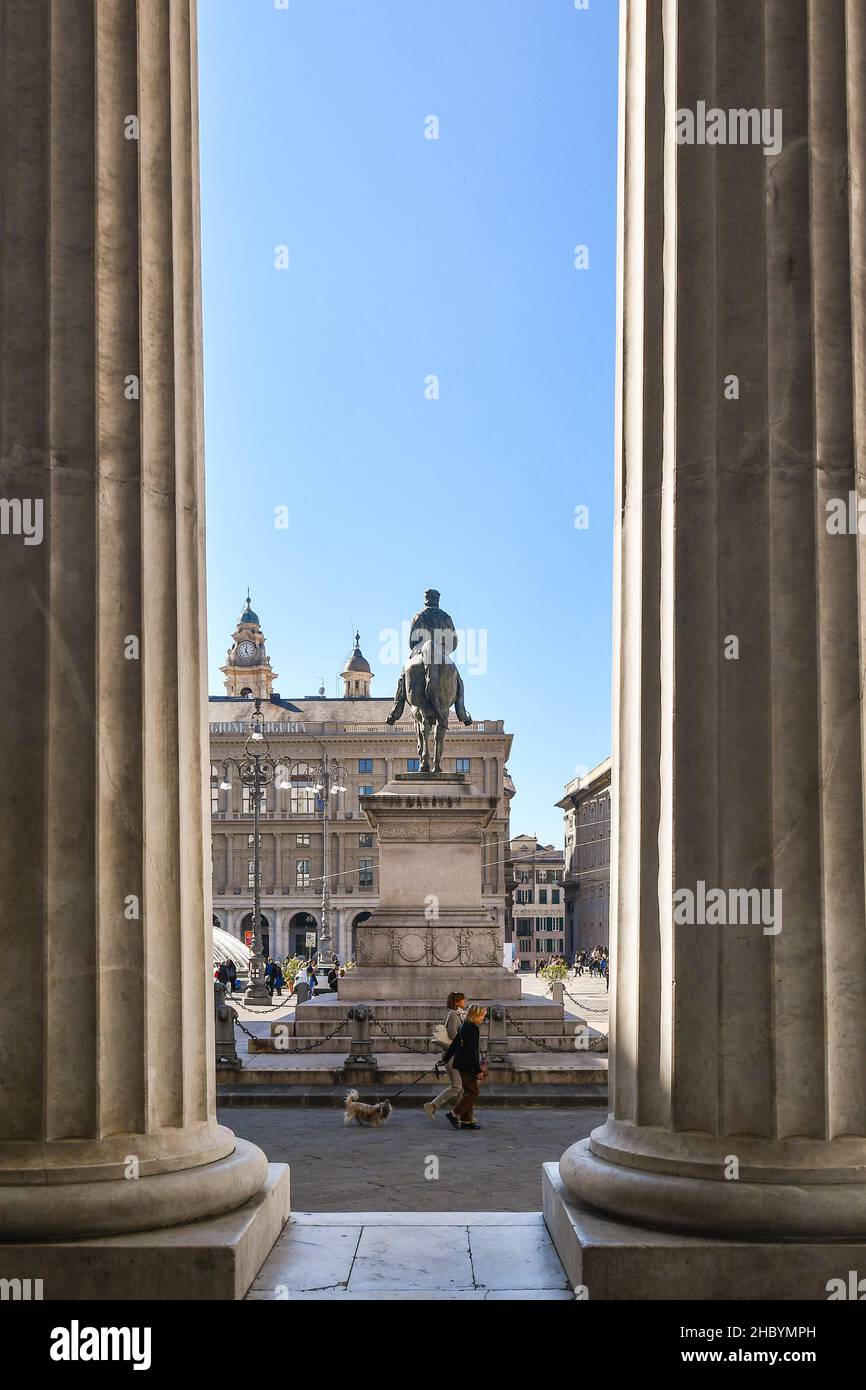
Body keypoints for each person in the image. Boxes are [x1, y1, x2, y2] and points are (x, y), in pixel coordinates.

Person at [443, 1004, 488, 1131]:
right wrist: (478, 1070)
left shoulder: (465, 1025)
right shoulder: (471, 1029)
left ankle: (466, 1121)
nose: (482, 1019)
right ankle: (454, 1113)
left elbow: (456, 1043)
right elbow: (471, 1051)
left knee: (469, 1091)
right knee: (474, 1091)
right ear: (474, 1016)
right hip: (467, 1064)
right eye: (481, 1016)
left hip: (463, 1063)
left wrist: (446, 1058)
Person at [424, 992, 466, 1120]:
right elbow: (453, 1034)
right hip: (451, 1054)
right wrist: (465, 1038)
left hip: (456, 1054)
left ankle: (460, 1113)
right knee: (457, 1086)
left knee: (461, 1087)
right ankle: (433, 1105)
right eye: (463, 1001)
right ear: (457, 1002)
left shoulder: (455, 1014)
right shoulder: (453, 1015)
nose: (465, 1003)